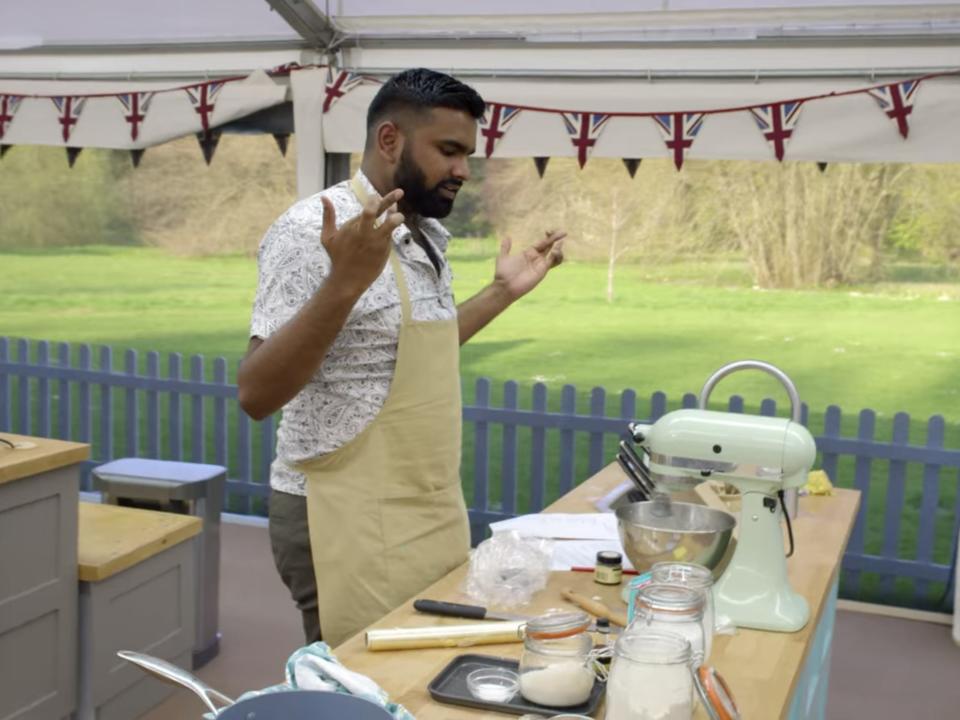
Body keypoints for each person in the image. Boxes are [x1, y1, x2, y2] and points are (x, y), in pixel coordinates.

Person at [237, 68, 566, 647]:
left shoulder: (426, 235)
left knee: (420, 673)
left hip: (424, 505)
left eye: (467, 153)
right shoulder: (312, 231)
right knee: (361, 688)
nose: (463, 169)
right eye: (448, 151)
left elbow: (412, 350)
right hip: (341, 513)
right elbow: (256, 393)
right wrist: (344, 281)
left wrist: (501, 294)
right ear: (390, 141)